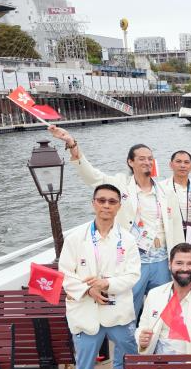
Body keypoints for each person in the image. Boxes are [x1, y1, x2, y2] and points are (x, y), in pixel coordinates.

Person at [48, 127, 181, 322]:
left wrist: (177, 258)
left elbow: (176, 228)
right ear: (130, 162)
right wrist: (72, 144)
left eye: (150, 158)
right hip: (132, 261)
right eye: (142, 158)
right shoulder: (120, 184)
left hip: (161, 259)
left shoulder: (166, 191)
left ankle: (157, 340)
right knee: (129, 308)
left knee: (163, 308)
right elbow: (91, 176)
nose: (147, 162)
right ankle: (130, 339)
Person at [59, 185, 141, 369]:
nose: (106, 205)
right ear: (93, 203)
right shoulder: (75, 238)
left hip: (117, 312)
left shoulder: (128, 240)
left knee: (132, 356)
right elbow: (64, 274)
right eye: (102, 200)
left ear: (119, 206)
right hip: (86, 313)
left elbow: (133, 275)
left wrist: (107, 284)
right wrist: (88, 290)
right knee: (83, 368)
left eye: (112, 201)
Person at [164, 150, 191, 238]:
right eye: (178, 161)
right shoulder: (161, 188)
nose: (182, 165)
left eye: (186, 162)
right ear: (171, 165)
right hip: (171, 235)